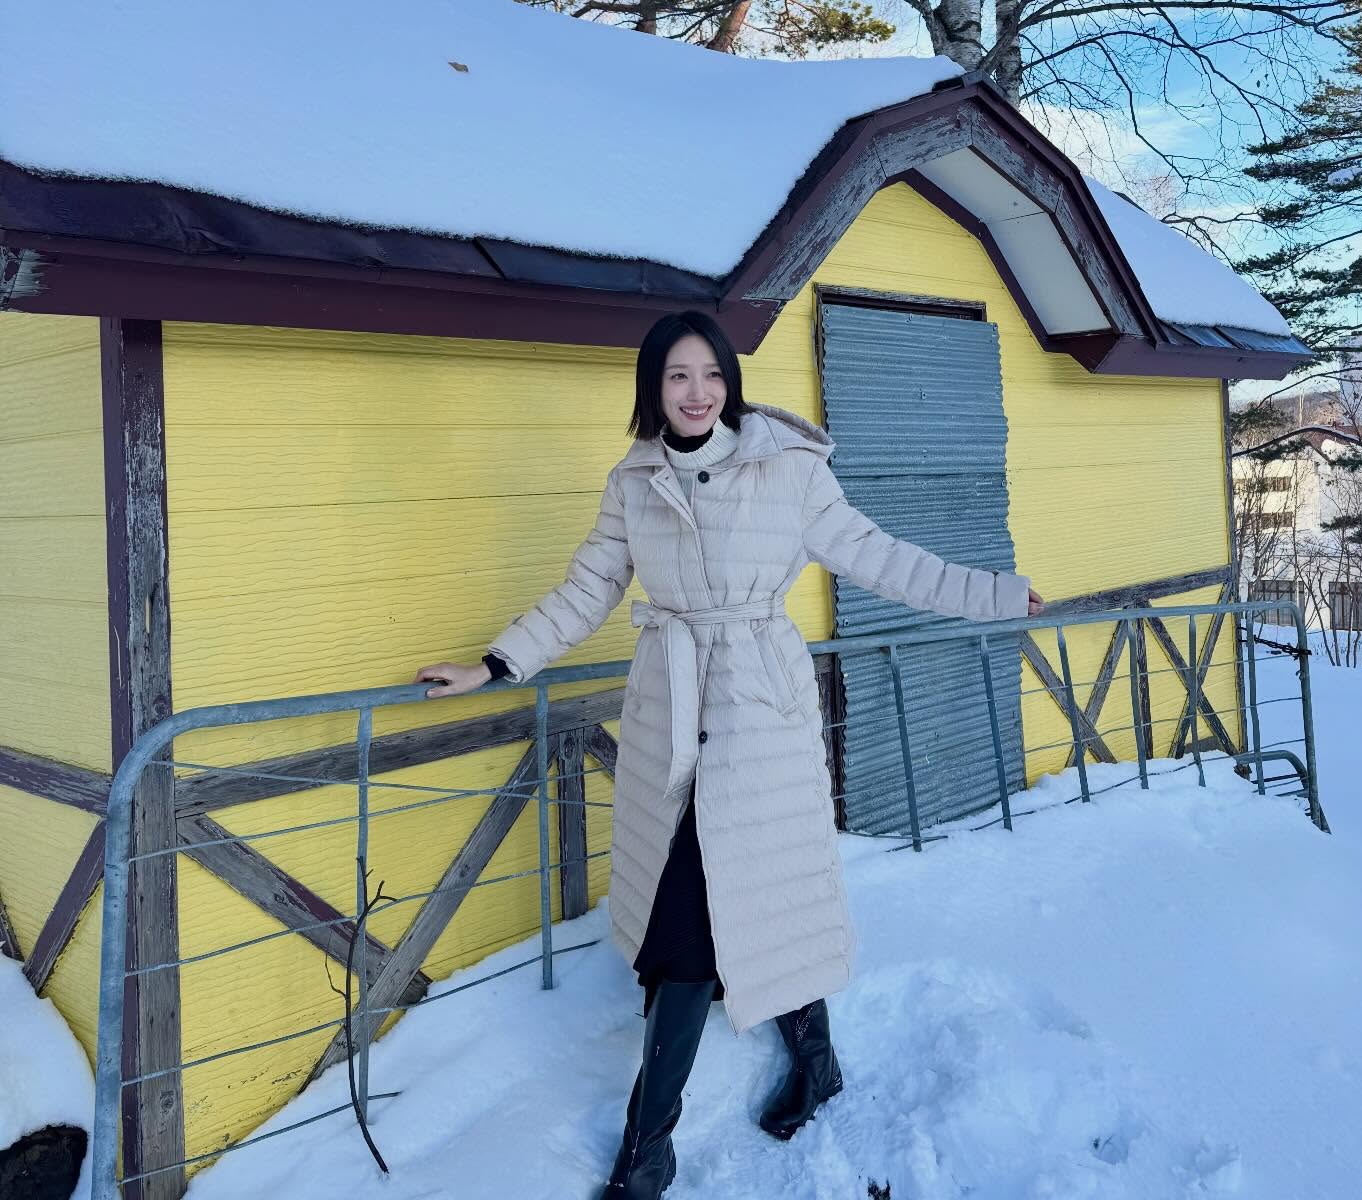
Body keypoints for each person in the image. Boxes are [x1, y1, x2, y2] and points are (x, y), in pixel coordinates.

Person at [415, 310, 1044, 1199]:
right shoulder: (632, 482)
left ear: (731, 384)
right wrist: (496, 661)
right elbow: (587, 589)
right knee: (715, 907)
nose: (697, 391)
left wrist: (995, 595)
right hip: (670, 713)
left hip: (760, 709)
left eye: (711, 374)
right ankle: (758, 1093)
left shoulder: (787, 467)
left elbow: (876, 557)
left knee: (737, 895)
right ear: (653, 390)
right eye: (677, 376)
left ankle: (656, 1143)